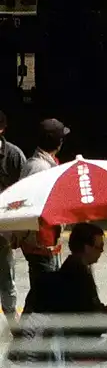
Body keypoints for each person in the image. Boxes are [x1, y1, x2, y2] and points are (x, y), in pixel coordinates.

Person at [20, 222, 107, 362]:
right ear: (87, 248)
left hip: (71, 337)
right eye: (99, 247)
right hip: (74, 342)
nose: (102, 251)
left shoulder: (78, 269)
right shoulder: (75, 277)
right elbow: (90, 320)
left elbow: (94, 308)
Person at [19, 118, 69, 286]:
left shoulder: (46, 164)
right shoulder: (39, 168)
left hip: (48, 241)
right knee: (45, 290)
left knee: (44, 290)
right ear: (59, 142)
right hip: (41, 243)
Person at [0, 110, 26, 322]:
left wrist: (19, 230)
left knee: (7, 277)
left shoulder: (14, 156)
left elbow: (25, 192)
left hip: (4, 230)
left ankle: (11, 319)